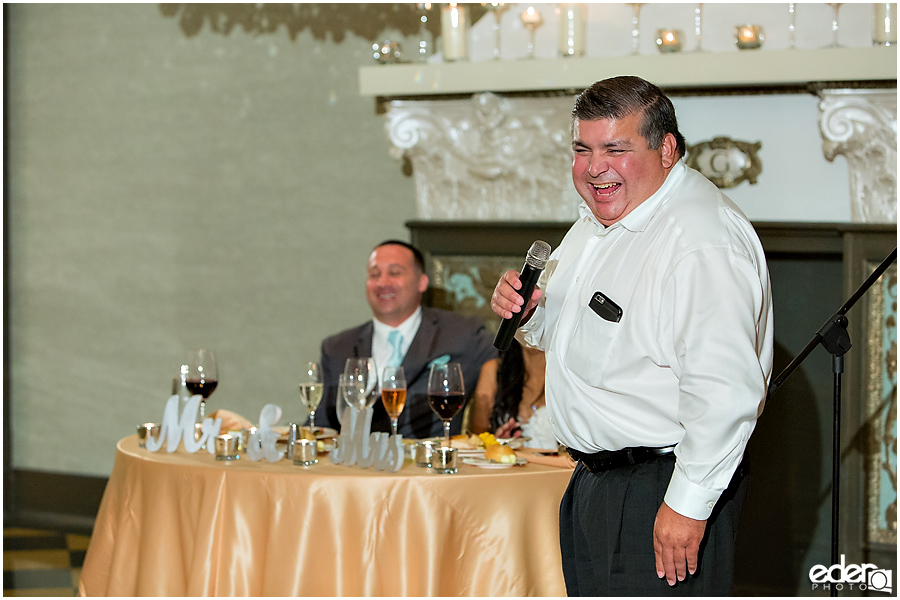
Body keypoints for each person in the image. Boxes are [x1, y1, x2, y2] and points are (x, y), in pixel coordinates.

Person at [490, 76, 773, 596]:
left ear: (666, 149)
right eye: (582, 149)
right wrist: (531, 313)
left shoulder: (700, 241)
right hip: (597, 485)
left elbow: (726, 394)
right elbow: (585, 338)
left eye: (615, 149)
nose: (595, 167)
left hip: (658, 490)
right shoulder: (602, 222)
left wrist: (686, 505)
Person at [316, 239, 498, 439]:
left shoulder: (462, 333)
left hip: (428, 462)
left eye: (394, 273)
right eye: (374, 274)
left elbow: (510, 360)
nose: (382, 283)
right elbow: (320, 426)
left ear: (422, 282)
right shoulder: (337, 347)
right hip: (355, 465)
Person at [468, 339, 558, 450]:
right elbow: (476, 442)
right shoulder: (494, 371)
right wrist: (500, 443)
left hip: (566, 467)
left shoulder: (570, 373)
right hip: (509, 467)